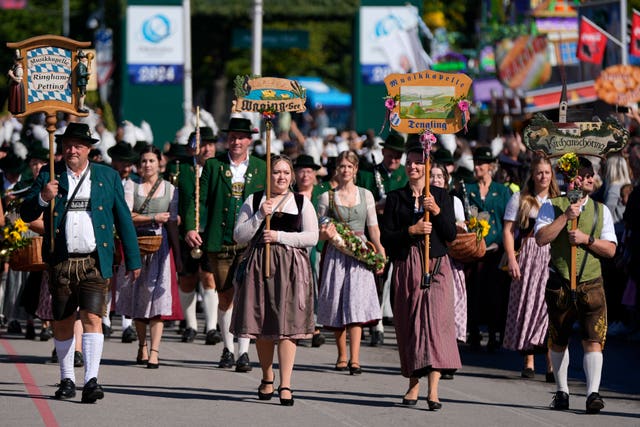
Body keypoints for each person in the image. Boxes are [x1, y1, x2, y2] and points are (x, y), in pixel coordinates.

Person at [20, 122, 141, 403]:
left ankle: (91, 380)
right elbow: (26, 213)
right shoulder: (50, 174)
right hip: (61, 261)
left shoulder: (107, 176)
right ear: (61, 148)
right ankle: (66, 379)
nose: (72, 150)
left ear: (89, 149)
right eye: (68, 145)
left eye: (78, 145)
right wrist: (42, 197)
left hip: (94, 261)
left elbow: (123, 218)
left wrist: (132, 259)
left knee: (92, 317)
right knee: (62, 321)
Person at [231, 155, 318, 406]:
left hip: (292, 269)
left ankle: (286, 383)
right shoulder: (255, 200)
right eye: (276, 172)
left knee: (288, 326)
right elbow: (239, 236)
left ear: (291, 176)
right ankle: (267, 376)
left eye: (286, 172)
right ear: (268, 175)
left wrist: (280, 236)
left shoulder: (301, 202)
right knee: (264, 322)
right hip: (260, 266)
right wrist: (259, 215)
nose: (281, 177)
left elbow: (312, 237)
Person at [535, 156, 617, 414]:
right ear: (573, 179)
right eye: (584, 174)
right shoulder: (551, 205)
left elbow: (611, 250)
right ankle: (562, 391)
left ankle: (593, 393)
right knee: (559, 339)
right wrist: (565, 217)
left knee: (593, 339)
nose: (590, 178)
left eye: (591, 173)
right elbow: (540, 238)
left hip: (591, 283)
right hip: (560, 282)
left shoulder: (602, 210)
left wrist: (586, 239)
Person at [381, 143, 459, 410]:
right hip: (407, 265)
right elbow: (387, 238)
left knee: (437, 325)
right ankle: (413, 383)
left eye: (418, 162)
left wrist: (436, 211)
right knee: (411, 325)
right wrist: (411, 231)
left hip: (436, 265)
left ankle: (433, 390)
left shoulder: (441, 195)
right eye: (409, 162)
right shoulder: (395, 198)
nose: (413, 166)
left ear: (428, 166)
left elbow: (450, 234)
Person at [185, 117, 266, 372]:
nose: (236, 141)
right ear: (226, 139)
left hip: (251, 242)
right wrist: (191, 226)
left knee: (246, 296)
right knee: (226, 295)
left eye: (241, 137)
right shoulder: (214, 166)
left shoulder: (262, 167)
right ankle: (227, 348)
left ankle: (243, 352)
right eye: (232, 137)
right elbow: (200, 201)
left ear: (249, 141)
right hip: (220, 242)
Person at [316, 150, 386, 375]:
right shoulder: (327, 197)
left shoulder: (366, 195)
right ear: (337, 169)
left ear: (356, 170)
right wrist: (327, 233)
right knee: (338, 301)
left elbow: (373, 228)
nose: (345, 170)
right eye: (342, 166)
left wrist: (380, 250)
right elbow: (319, 230)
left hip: (360, 251)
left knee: (356, 303)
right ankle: (341, 354)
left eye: (349, 166)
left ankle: (355, 357)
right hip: (337, 253)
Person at [116, 146, 179, 369]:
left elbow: (172, 222)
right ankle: (142, 345)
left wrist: (177, 253)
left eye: (152, 160)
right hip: (137, 245)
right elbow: (126, 215)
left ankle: (154, 351)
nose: (148, 165)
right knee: (138, 298)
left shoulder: (170, 189)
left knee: (158, 301)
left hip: (161, 248)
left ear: (159, 163)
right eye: (144, 161)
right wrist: (153, 217)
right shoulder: (131, 186)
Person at [502, 156, 560, 380]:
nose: (543, 176)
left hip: (551, 256)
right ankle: (528, 359)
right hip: (527, 253)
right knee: (527, 304)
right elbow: (508, 231)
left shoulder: (558, 200)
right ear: (532, 175)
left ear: (552, 174)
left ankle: (550, 363)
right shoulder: (521, 199)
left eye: (547, 172)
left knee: (549, 307)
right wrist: (512, 259)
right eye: (539, 173)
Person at [172, 127, 221, 345]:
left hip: (211, 232)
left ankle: (211, 327)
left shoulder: (220, 169)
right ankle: (190, 324)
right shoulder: (181, 171)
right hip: (187, 233)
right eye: (202, 144)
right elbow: (174, 199)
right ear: (192, 148)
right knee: (187, 279)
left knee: (210, 278)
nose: (206, 148)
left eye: (210, 144)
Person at [465, 146, 512, 350]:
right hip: (472, 249)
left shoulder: (502, 191)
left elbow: (509, 220)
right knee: (472, 290)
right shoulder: (468, 189)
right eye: (475, 162)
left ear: (490, 167)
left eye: (480, 163)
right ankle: (473, 331)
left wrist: (502, 245)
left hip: (495, 249)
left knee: (495, 293)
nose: (477, 167)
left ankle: (495, 333)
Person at [431, 162, 467, 383]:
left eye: (439, 177)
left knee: (451, 311)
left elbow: (461, 228)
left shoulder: (453, 201)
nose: (435, 180)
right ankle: (435, 356)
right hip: (430, 259)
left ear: (446, 180)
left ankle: (449, 358)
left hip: (451, 261)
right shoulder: (422, 199)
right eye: (432, 176)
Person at [292, 154, 330, 348]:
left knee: (315, 284)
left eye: (309, 171)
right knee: (296, 287)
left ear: (315, 174)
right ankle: (299, 326)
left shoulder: (323, 193)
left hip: (317, 246)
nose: (305, 175)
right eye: (301, 171)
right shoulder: (290, 193)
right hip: (293, 246)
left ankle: (314, 326)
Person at [104, 141, 140, 343]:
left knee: (127, 278)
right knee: (107, 279)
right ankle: (105, 319)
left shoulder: (135, 182)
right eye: (122, 163)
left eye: (129, 163)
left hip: (128, 233)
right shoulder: (106, 178)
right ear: (114, 162)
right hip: (109, 232)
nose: (126, 168)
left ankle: (127, 323)